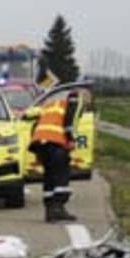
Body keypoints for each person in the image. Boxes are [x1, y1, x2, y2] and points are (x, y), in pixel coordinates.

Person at [28, 90, 81, 223]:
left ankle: (50, 211)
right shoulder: (74, 101)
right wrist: (71, 140)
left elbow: (35, 125)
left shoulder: (50, 104)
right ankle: (58, 208)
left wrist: (37, 147)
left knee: (50, 176)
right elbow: (70, 122)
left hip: (40, 142)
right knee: (61, 174)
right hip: (56, 142)